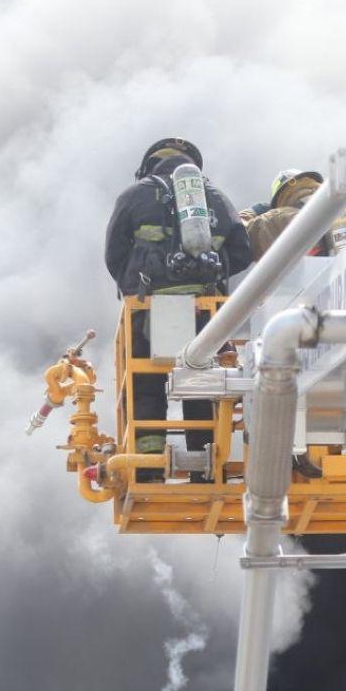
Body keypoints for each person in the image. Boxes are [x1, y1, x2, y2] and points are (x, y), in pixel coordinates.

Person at [104, 138, 252, 478]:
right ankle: (205, 465)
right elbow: (242, 251)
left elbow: (114, 252)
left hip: (147, 307)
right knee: (200, 381)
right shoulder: (216, 198)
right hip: (205, 310)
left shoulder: (134, 195)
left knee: (145, 382)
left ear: (149, 166)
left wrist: (134, 284)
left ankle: (148, 467)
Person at [243, 169, 326, 260]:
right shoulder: (336, 204)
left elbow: (240, 235)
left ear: (280, 196)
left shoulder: (276, 219)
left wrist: (252, 212)